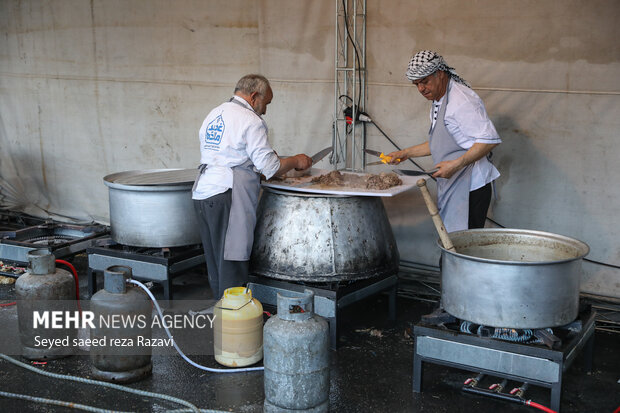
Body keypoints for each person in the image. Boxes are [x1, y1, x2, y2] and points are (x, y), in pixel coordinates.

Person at [192, 74, 312, 299]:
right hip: (228, 195)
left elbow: (227, 154)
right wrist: (296, 161)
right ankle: (235, 324)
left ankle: (223, 317)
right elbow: (270, 167)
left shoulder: (214, 113)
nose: (265, 110)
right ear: (254, 96)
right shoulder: (251, 120)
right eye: (265, 103)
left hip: (203, 192)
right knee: (232, 262)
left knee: (216, 263)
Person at [387, 50, 501, 232]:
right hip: (453, 183)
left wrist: (456, 165)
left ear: (439, 74)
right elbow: (442, 142)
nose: (421, 89)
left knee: (463, 247)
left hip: (471, 186)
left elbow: (489, 139)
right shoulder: (439, 100)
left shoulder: (461, 100)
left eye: (424, 82)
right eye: (416, 84)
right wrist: (405, 153)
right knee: (450, 240)